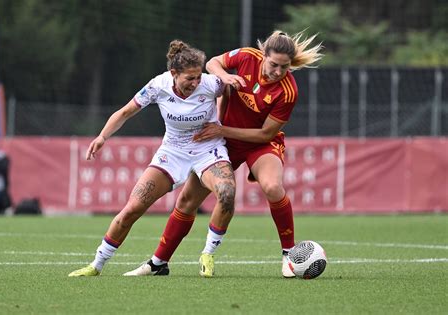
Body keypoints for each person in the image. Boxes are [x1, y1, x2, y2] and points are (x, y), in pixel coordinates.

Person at [131, 30, 323, 278]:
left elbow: (265, 135)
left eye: (284, 67)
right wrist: (224, 77)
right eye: (274, 64)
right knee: (187, 201)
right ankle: (158, 263)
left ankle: (288, 255)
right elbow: (212, 63)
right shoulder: (246, 57)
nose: (277, 72)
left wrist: (221, 129)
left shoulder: (288, 92)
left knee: (273, 187)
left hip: (259, 143)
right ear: (263, 55)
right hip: (223, 141)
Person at [68, 40, 236, 277]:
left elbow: (228, 90)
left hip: (207, 150)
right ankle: (96, 265)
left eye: (198, 77)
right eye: (190, 78)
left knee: (227, 194)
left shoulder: (211, 84)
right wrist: (102, 137)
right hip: (172, 152)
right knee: (132, 209)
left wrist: (221, 119)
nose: (196, 83)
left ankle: (208, 254)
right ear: (173, 73)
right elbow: (126, 111)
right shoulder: (158, 85)